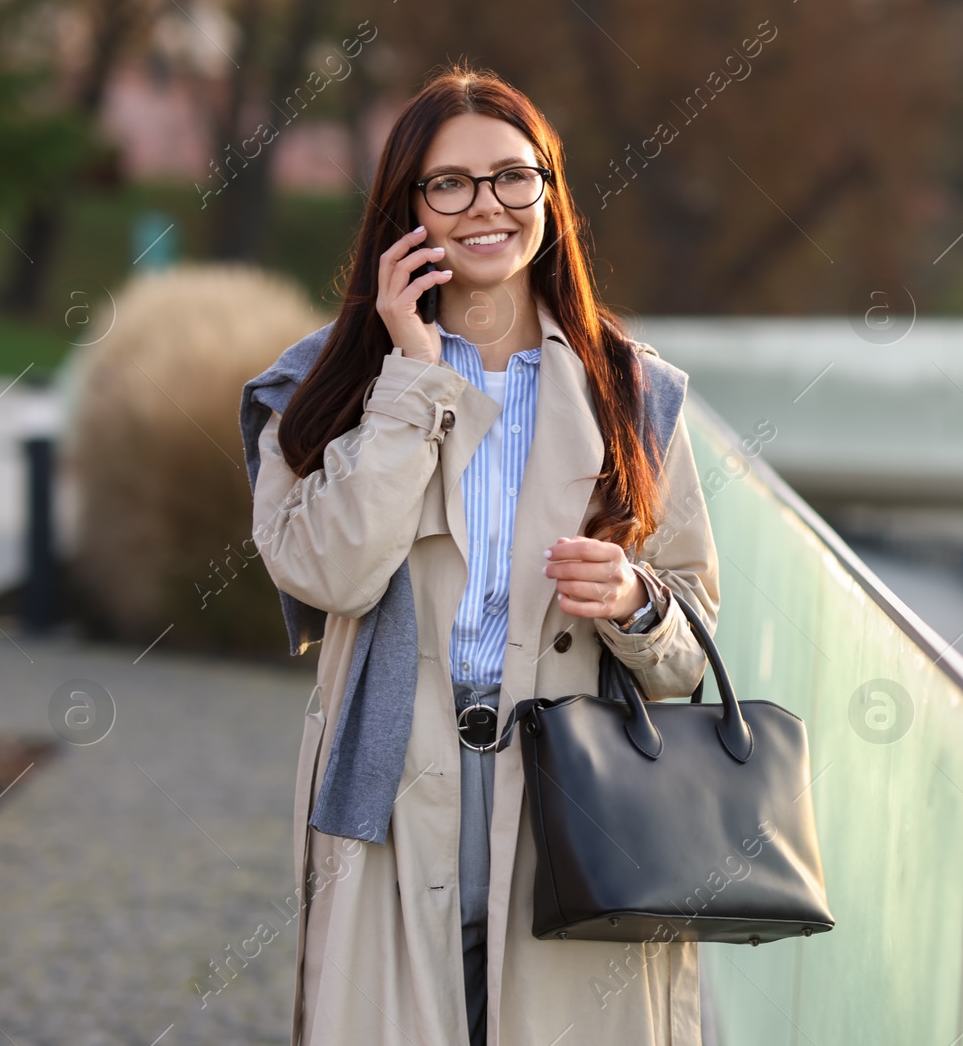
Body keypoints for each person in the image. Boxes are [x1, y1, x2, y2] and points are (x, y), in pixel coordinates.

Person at [244, 65, 720, 1045]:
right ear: (404, 208)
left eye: (513, 176)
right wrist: (411, 375)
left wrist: (634, 599)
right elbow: (328, 572)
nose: (486, 206)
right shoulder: (319, 387)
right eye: (448, 183)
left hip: (575, 808)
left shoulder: (636, 394)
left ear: (549, 191)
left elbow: (690, 646)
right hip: (387, 796)